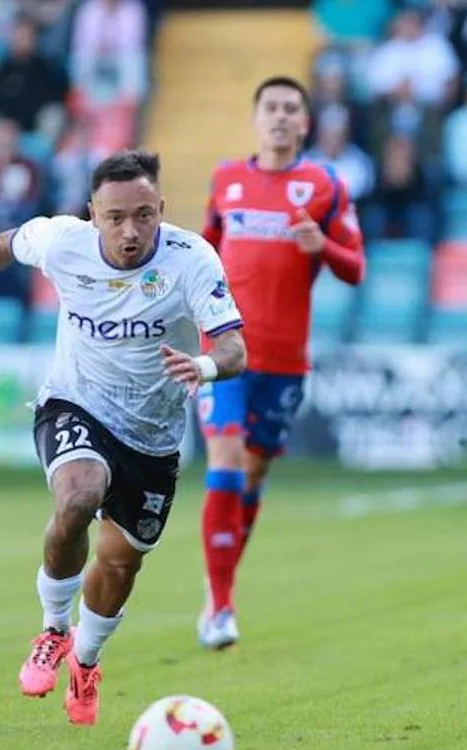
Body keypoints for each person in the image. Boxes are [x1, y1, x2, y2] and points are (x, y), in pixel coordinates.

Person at [0, 150, 247, 725]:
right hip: (75, 401)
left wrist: (203, 367)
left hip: (154, 435)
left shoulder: (193, 260)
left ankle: (86, 661)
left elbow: (235, 347)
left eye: (143, 215)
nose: (130, 230)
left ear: (161, 208)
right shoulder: (63, 241)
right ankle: (53, 629)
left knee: (118, 567)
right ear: (93, 214)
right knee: (79, 494)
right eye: (115, 217)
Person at [197, 76, 366, 650]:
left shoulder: (324, 186)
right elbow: (205, 252)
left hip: (286, 360)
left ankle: (221, 577)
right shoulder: (227, 180)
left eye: (290, 109)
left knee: (254, 473)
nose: (279, 117)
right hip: (225, 354)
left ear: (305, 123)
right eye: (270, 107)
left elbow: (356, 268)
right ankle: (220, 607)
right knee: (224, 459)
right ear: (256, 117)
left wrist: (326, 247)